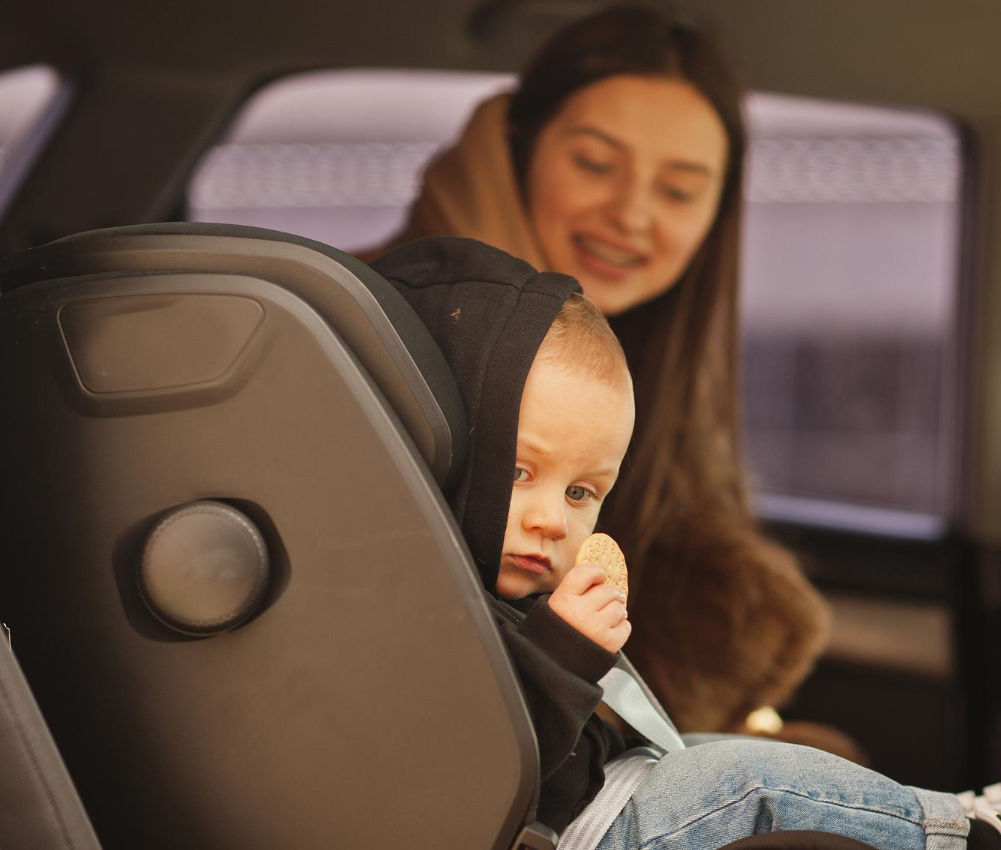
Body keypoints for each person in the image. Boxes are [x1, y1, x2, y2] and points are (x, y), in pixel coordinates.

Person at [370, 235, 1001, 850]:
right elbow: (462, 770)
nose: (553, 521)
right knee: (749, 785)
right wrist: (558, 656)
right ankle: (960, 830)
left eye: (582, 494)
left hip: (611, 795)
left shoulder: (501, 597)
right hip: (577, 832)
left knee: (739, 758)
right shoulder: (416, 617)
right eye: (517, 472)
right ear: (438, 453)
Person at [363, 2, 829, 739]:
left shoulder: (664, 382)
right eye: (594, 163)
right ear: (517, 152)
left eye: (677, 190)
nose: (632, 214)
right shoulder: (374, 343)